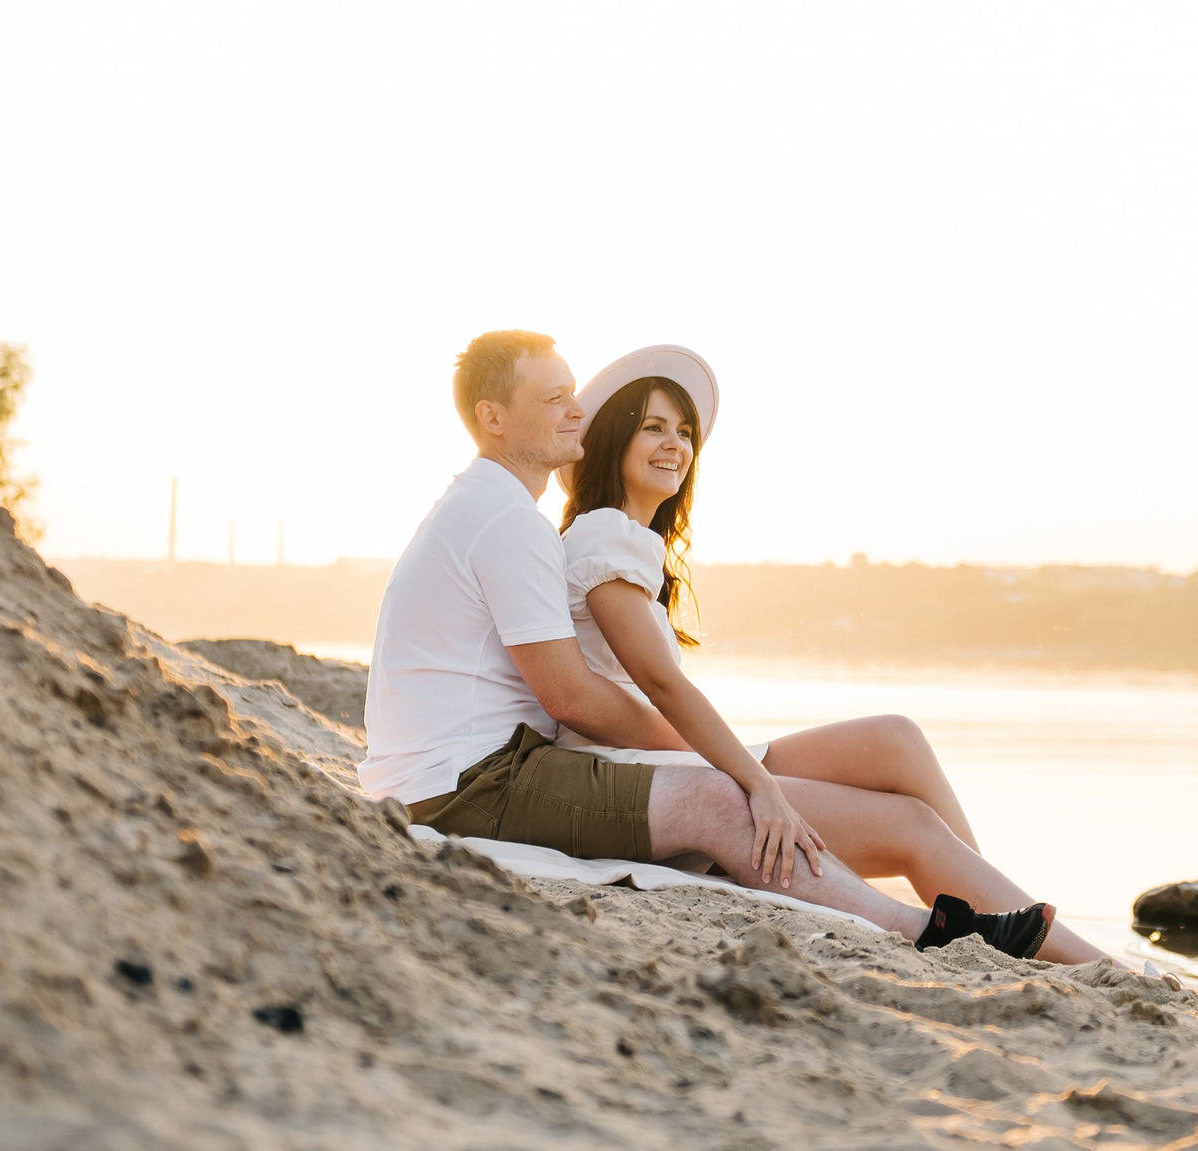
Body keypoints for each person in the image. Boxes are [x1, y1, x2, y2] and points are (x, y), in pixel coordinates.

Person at [358, 330, 1057, 959]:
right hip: (467, 785)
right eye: (555, 397)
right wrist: (741, 773)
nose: (577, 410)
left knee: (767, 778)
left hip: (461, 774)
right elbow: (570, 695)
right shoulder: (507, 520)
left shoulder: (494, 511)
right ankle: (923, 931)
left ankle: (968, 912)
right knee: (720, 800)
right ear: (493, 417)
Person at [555, 344, 1102, 966]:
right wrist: (761, 787)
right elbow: (661, 685)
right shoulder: (602, 534)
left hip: (657, 753)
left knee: (896, 739)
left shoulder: (627, 541)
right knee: (910, 825)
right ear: (612, 441)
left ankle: (1005, 918)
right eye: (652, 428)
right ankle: (1074, 960)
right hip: (637, 783)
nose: (674, 444)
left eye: (684, 432)